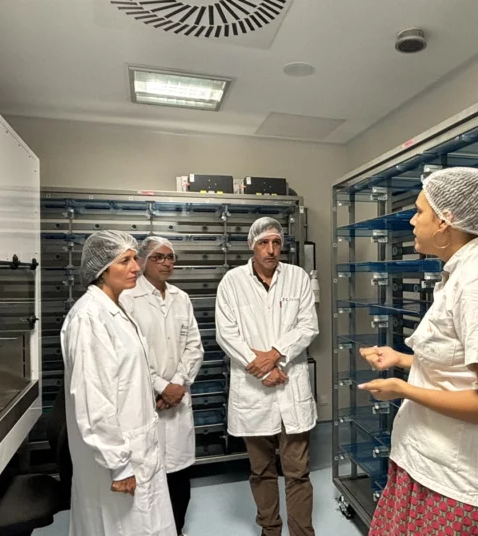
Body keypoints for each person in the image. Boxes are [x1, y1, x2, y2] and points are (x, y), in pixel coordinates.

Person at [358, 168, 478, 536]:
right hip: (434, 468)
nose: (413, 221)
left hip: (465, 488)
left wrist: (403, 389)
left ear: (446, 221)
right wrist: (402, 360)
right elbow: (463, 367)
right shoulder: (464, 272)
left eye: (420, 211)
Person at [60, 230, 175, 536]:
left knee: (147, 522)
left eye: (134, 259)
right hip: (116, 458)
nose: (136, 267)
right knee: (121, 526)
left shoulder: (116, 309)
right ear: (101, 270)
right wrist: (119, 464)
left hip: (137, 446)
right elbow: (92, 398)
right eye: (124, 261)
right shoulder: (89, 318)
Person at [215, 216, 319, 536]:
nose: (271, 250)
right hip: (254, 388)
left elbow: (308, 326)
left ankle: (302, 532)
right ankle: (270, 530)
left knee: (298, 471)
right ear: (252, 245)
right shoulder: (232, 282)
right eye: (263, 243)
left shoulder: (298, 277)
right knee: (261, 470)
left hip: (289, 383)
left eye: (276, 243)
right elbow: (226, 334)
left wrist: (275, 355)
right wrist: (259, 368)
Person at [120, 236, 204, 536]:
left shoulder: (181, 298)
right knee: (147, 477)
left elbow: (194, 346)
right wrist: (160, 386)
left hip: (177, 400)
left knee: (179, 478)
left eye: (171, 257)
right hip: (147, 401)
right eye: (159, 257)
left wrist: (177, 385)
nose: (167, 263)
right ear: (143, 261)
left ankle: (176, 529)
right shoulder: (127, 298)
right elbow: (130, 352)